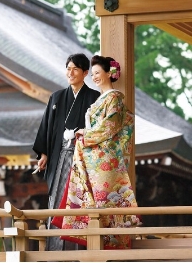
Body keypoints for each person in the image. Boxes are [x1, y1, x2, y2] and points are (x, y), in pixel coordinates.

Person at [52, 55, 142, 249]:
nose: (94, 77)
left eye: (98, 73)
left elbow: (109, 127)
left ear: (109, 73)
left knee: (107, 200)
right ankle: (99, 246)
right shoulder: (101, 99)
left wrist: (85, 133)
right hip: (93, 157)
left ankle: (115, 248)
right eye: (92, 74)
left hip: (105, 160)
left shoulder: (115, 98)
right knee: (95, 204)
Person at [32, 53, 100, 251]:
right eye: (68, 68)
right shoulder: (57, 97)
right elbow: (47, 127)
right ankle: (54, 248)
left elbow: (97, 129)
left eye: (75, 69)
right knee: (57, 199)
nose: (70, 73)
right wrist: (43, 154)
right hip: (59, 156)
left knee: (78, 202)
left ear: (85, 73)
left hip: (82, 159)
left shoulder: (93, 98)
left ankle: (78, 248)